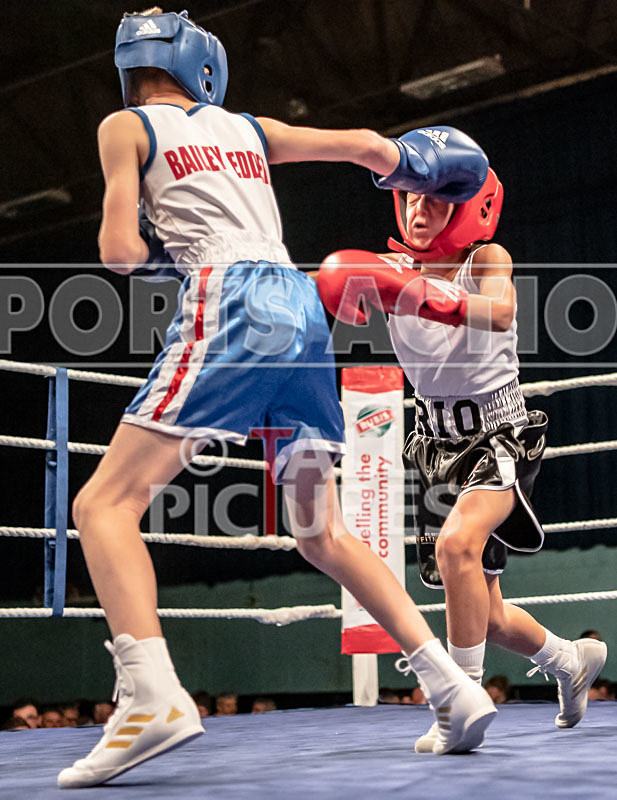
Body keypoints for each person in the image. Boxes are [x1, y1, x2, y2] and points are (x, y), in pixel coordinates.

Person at [57, 7, 496, 789]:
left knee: (102, 506)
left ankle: (150, 694)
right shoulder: (246, 127)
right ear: (204, 69)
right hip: (297, 304)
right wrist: (423, 167)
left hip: (228, 299)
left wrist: (167, 254)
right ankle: (450, 685)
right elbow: (370, 150)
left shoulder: (123, 126)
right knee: (319, 528)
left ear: (131, 73)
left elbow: (117, 253)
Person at [317, 165, 608, 753]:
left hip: (500, 434)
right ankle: (570, 659)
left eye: (436, 203)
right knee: (487, 614)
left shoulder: (487, 260)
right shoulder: (390, 270)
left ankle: (459, 702)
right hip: (436, 444)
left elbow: (500, 311)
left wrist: (428, 296)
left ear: (470, 207)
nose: (419, 213)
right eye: (410, 202)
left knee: (456, 547)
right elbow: (330, 298)